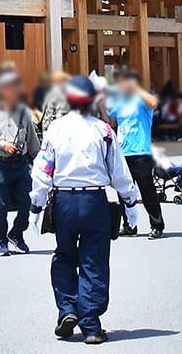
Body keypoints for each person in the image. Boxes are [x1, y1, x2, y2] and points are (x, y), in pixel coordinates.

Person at [31, 75, 140, 345]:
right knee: (94, 259)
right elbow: (119, 172)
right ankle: (90, 323)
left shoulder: (56, 128)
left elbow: (44, 168)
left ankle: (67, 309)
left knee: (64, 255)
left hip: (64, 200)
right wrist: (130, 201)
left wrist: (36, 203)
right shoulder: (103, 130)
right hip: (94, 200)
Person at [0, 70, 41, 254]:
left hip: (21, 163)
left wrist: (42, 163)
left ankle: (16, 233)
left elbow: (32, 140)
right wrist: (2, 145)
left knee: (27, 202)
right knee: (0, 207)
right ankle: (1, 241)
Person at [105, 68, 164, 240]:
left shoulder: (141, 100)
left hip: (141, 153)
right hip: (123, 153)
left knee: (147, 191)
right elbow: (110, 120)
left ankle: (157, 224)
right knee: (123, 191)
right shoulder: (120, 102)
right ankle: (129, 225)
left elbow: (154, 103)